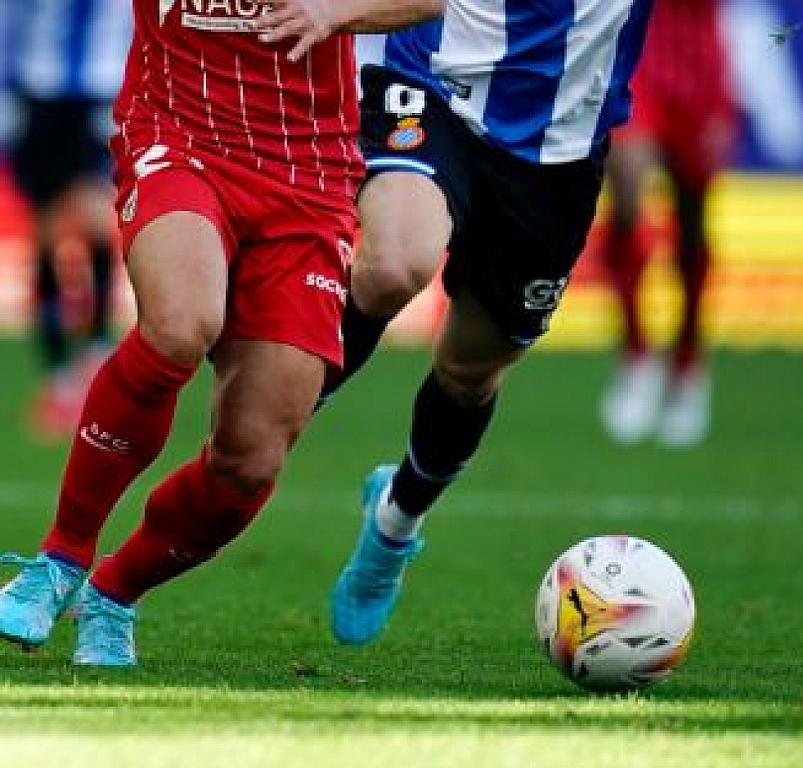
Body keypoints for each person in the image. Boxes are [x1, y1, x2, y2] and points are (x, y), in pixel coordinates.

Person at [0, 0, 441, 667]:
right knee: (180, 326)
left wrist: (335, 11)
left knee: (251, 458)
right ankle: (59, 560)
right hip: (180, 135)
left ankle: (114, 593)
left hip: (306, 171)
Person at [319, 3, 656, 646]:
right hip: (433, 84)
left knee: (469, 371)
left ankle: (394, 524)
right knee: (392, 267)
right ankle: (268, 416)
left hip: (561, 145)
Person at [598, 0, 737, 447]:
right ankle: (636, 353)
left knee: (692, 229)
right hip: (639, 54)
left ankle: (687, 362)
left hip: (699, 63)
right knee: (626, 196)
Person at [4, 0, 133, 438]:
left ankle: (96, 350)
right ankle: (58, 374)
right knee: (45, 235)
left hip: (101, 92)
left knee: (96, 222)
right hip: (38, 96)